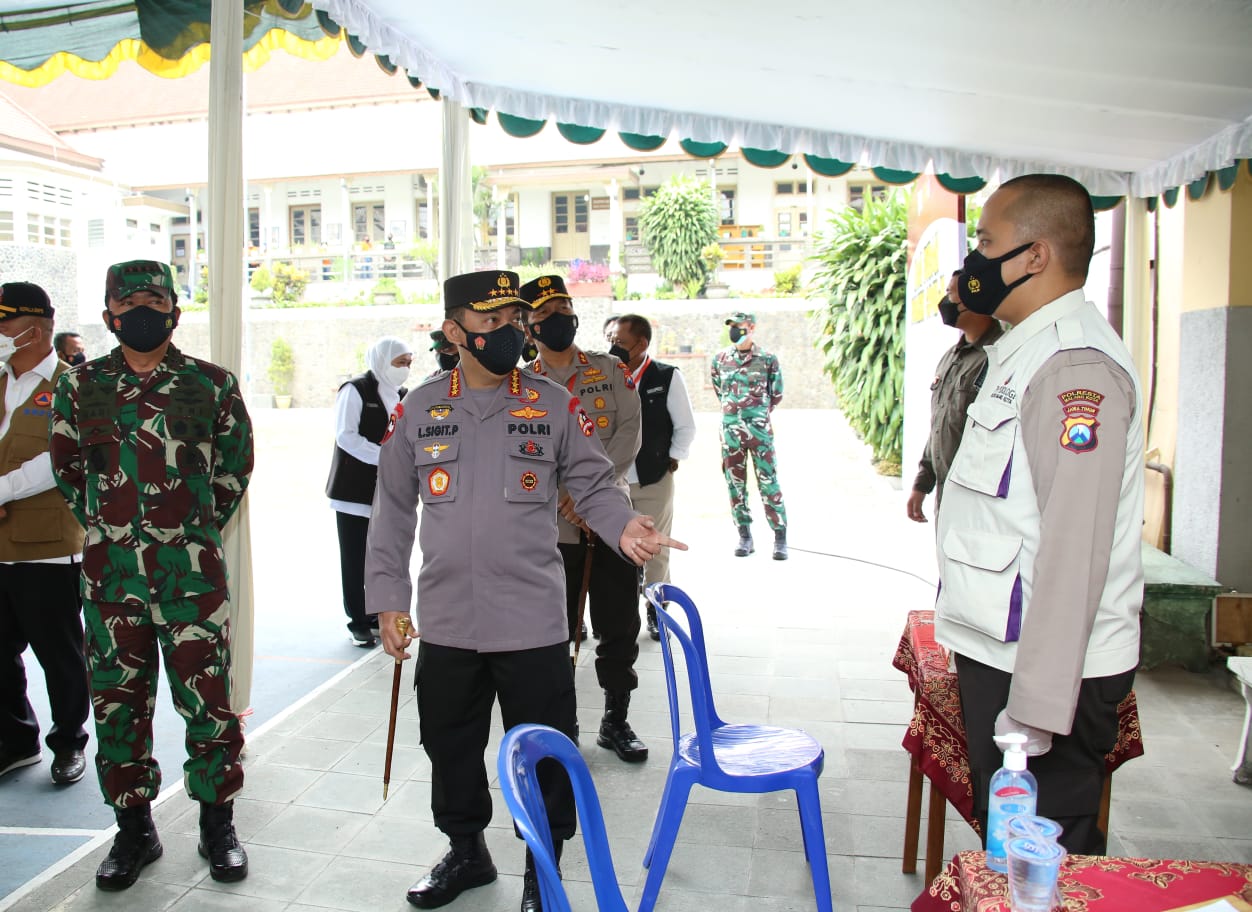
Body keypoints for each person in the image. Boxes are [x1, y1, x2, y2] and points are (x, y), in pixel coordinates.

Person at [365, 270, 684, 912]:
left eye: (514, 320)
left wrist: (625, 526)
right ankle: (467, 851)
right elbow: (392, 509)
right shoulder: (419, 408)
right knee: (449, 742)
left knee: (543, 750)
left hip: (532, 620)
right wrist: (388, 598)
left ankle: (544, 866)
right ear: (455, 332)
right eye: (492, 322)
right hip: (449, 619)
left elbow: (594, 483)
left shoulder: (553, 403)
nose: (510, 332)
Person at [934, 174, 1144, 856]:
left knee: (1046, 862)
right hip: (1007, 650)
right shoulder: (1023, 349)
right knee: (1012, 852)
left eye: (986, 240)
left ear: (1034, 256)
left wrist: (1037, 707)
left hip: (1041, 668)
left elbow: (1075, 547)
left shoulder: (1072, 367)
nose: (974, 259)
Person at [49, 259, 254, 890]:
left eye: (154, 303)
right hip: (112, 586)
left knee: (209, 708)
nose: (142, 313)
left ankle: (218, 826)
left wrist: (185, 531)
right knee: (117, 709)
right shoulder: (79, 386)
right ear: (109, 315)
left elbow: (234, 470)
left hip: (192, 583)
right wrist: (114, 530)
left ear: (174, 312)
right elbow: (69, 471)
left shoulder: (211, 385)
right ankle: (134, 830)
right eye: (128, 304)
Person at [521, 275, 648, 763]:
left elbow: (630, 431)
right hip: (553, 527)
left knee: (619, 625)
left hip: (613, 525)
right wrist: (567, 495)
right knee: (555, 630)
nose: (558, 319)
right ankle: (563, 723)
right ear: (529, 327)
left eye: (564, 309)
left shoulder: (611, 370)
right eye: (545, 314)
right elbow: (523, 454)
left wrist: (590, 491)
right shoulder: (522, 385)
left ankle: (616, 720)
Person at [0, 283, 90, 786]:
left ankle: (69, 742)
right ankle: (16, 740)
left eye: (4, 322)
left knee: (59, 654)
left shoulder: (71, 385)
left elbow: (59, 460)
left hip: (47, 548)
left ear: (35, 329)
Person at [608, 314, 697, 639]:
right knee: (615, 551)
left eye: (620, 342)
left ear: (642, 344)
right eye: (611, 340)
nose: (613, 347)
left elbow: (685, 426)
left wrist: (671, 458)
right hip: (611, 482)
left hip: (652, 479)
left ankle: (657, 610)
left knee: (655, 548)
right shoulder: (604, 375)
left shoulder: (665, 377)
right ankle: (620, 613)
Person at [325, 336, 413, 648]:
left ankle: (377, 615)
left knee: (381, 557)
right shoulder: (356, 390)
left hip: (387, 492)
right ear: (382, 360)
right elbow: (346, 436)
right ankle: (358, 621)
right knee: (355, 559)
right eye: (399, 363)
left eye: (408, 363)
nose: (405, 369)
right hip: (353, 491)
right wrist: (385, 458)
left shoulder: (401, 395)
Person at [906, 272, 1003, 522]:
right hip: (946, 498)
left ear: (974, 298)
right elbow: (941, 425)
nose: (945, 301)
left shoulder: (1000, 356)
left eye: (951, 294)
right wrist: (922, 483)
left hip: (980, 505)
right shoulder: (951, 357)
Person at [710, 311, 788, 559]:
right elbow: (720, 392)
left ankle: (780, 538)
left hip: (759, 433)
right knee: (735, 485)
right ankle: (744, 536)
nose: (734, 330)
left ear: (751, 327)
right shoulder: (720, 359)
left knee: (768, 482)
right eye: (731, 326)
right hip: (730, 434)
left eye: (739, 326)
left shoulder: (767, 359)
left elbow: (776, 394)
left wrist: (756, 414)